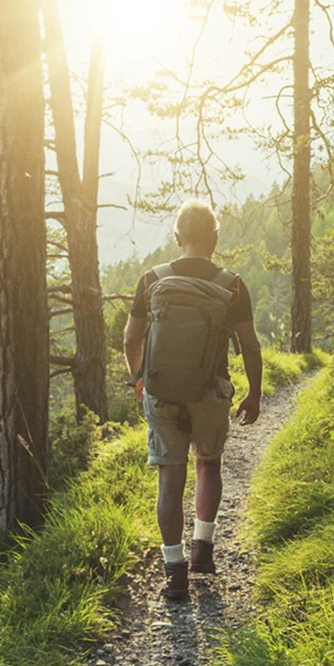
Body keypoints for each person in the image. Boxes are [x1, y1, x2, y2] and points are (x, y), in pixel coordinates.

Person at [124, 200, 262, 601]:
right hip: (209, 390)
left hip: (162, 392)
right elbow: (250, 345)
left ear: (178, 238)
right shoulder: (232, 284)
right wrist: (253, 393)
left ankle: (175, 572)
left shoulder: (152, 279)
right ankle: (203, 549)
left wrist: (140, 377)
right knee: (208, 463)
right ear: (215, 239)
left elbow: (131, 337)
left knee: (170, 478)